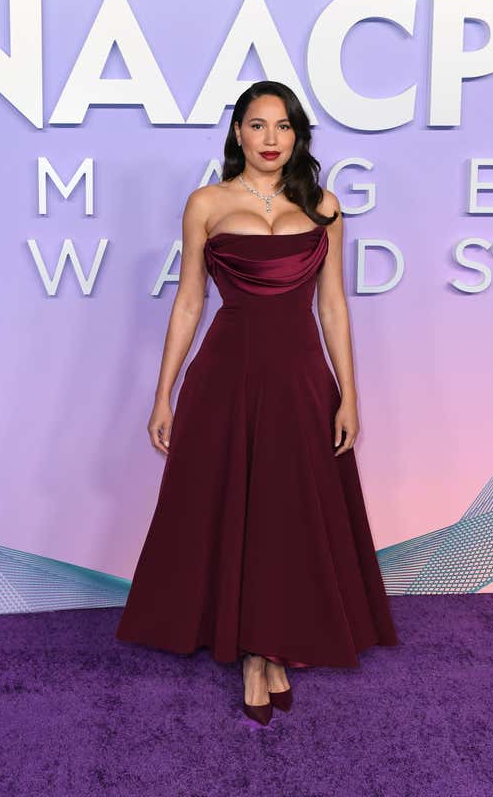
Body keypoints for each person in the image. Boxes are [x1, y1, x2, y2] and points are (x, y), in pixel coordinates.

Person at [115, 80, 399, 725]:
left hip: (301, 378)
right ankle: (252, 653)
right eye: (257, 125)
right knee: (234, 505)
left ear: (297, 136)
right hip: (226, 377)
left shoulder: (324, 206)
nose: (271, 139)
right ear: (237, 132)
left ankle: (273, 642)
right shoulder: (206, 203)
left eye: (284, 127)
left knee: (286, 508)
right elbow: (190, 300)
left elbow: (333, 306)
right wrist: (164, 392)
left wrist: (348, 393)